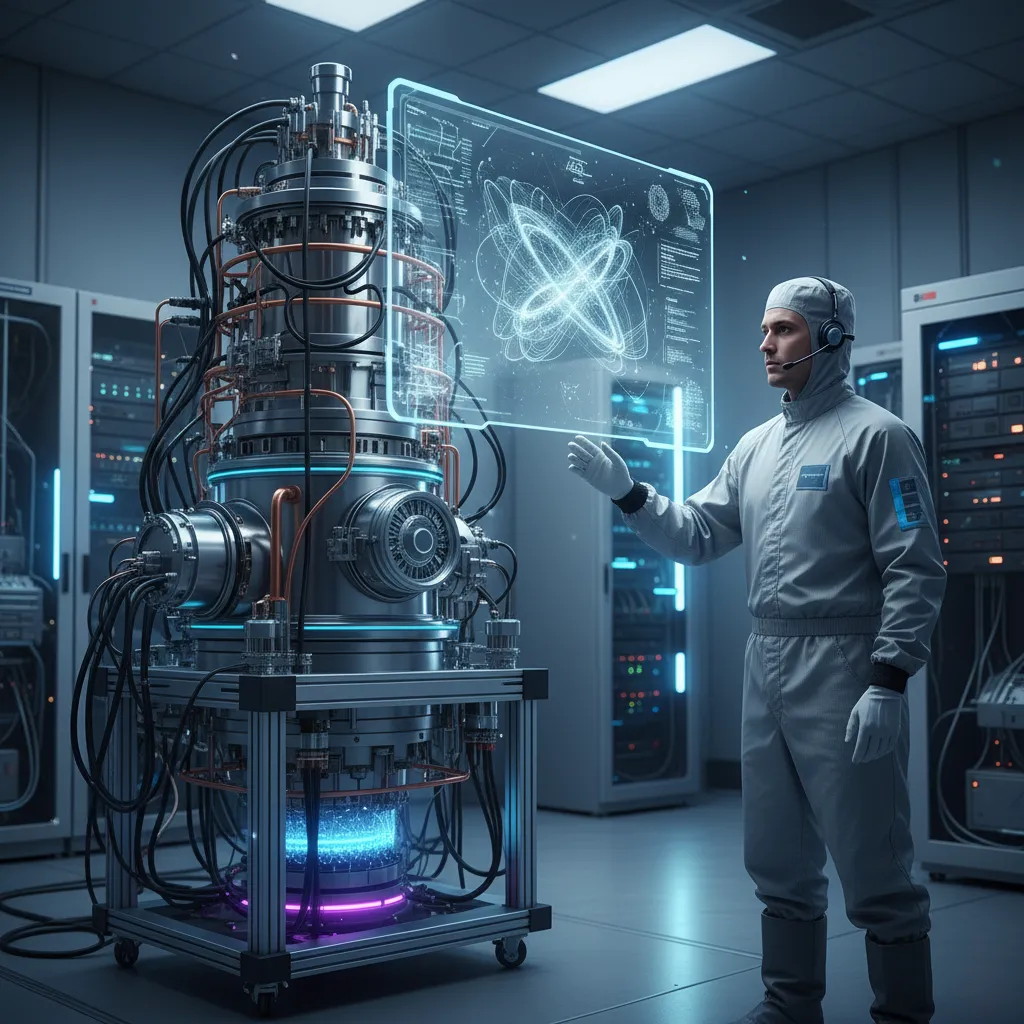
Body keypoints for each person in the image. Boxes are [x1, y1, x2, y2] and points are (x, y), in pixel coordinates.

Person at [567, 278, 945, 1024]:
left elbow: (915, 564)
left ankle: (903, 1013)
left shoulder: (879, 437)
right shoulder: (755, 447)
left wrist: (888, 679)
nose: (765, 345)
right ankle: (789, 1002)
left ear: (831, 335)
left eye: (783, 329)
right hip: (765, 662)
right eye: (764, 330)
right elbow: (698, 534)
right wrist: (629, 494)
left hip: (845, 667)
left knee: (873, 862)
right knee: (775, 856)